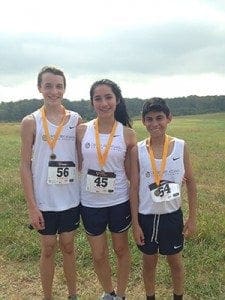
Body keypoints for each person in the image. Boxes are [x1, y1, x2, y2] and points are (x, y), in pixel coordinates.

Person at [20, 66, 82, 300]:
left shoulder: (75, 120)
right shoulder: (30, 121)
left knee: (68, 245)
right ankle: (47, 296)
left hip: (69, 198)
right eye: (48, 86)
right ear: (40, 88)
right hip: (44, 199)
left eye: (58, 86)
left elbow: (83, 157)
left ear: (64, 89)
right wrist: (32, 205)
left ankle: (73, 295)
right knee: (47, 248)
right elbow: (24, 165)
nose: (54, 91)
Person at [129, 98, 197, 300]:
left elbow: (191, 182)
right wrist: (135, 224)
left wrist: (192, 218)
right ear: (143, 121)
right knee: (149, 263)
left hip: (172, 215)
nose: (154, 123)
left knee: (175, 262)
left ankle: (178, 296)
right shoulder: (137, 150)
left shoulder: (180, 146)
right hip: (146, 216)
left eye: (159, 118)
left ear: (169, 119)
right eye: (149, 119)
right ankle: (150, 296)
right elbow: (134, 188)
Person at [76, 79, 136, 300]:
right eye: (98, 98)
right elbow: (78, 164)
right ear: (92, 103)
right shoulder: (82, 131)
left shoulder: (127, 134)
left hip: (118, 201)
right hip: (90, 203)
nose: (104, 103)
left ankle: (120, 294)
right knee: (99, 254)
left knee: (121, 250)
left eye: (108, 97)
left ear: (117, 100)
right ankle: (108, 292)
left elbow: (132, 174)